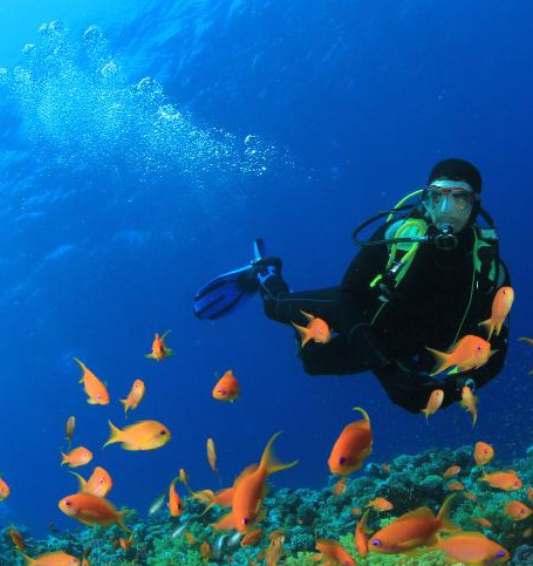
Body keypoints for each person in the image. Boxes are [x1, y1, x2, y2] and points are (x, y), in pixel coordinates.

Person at [193, 158, 511, 413]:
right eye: (436, 197)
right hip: (360, 309)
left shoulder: (489, 270)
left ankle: (316, 335)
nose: (445, 211)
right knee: (280, 316)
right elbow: (347, 294)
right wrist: (386, 370)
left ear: (475, 205)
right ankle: (264, 273)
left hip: (401, 343)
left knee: (397, 396)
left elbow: (497, 350)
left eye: (459, 199)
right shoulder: (398, 235)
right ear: (425, 200)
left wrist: (457, 388)